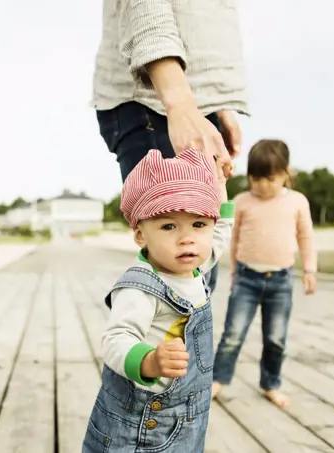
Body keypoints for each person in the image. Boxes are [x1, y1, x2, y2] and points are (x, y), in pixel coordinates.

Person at [82, 148, 234, 453]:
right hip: (142, 426)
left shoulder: (195, 267)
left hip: (189, 417)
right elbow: (116, 339)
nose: (187, 238)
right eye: (169, 226)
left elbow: (220, 233)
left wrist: (220, 189)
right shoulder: (142, 287)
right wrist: (149, 360)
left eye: (198, 224)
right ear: (140, 235)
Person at [92, 0, 249, 293]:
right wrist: (179, 103)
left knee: (196, 279)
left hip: (194, 100)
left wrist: (217, 106)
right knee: (178, 280)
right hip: (156, 98)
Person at [211, 139, 317, 408]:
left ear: (285, 174)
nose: (262, 185)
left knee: (276, 338)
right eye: (255, 178)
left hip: (280, 280)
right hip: (246, 278)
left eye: (270, 178)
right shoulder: (242, 201)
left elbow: (306, 237)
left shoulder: (297, 202)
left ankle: (270, 383)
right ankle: (218, 380)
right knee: (233, 333)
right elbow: (233, 240)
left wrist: (309, 270)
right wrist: (234, 271)